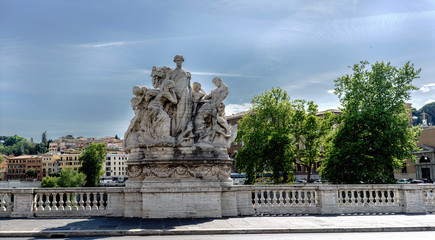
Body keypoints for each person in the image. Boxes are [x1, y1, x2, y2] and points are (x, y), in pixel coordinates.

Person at [164, 55, 192, 136]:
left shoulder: (186, 72)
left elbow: (189, 86)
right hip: (175, 93)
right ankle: (174, 132)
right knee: (175, 113)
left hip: (184, 93)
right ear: (175, 61)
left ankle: (182, 131)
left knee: (184, 112)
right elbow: (165, 82)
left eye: (180, 60)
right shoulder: (171, 72)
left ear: (182, 61)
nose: (178, 62)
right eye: (177, 60)